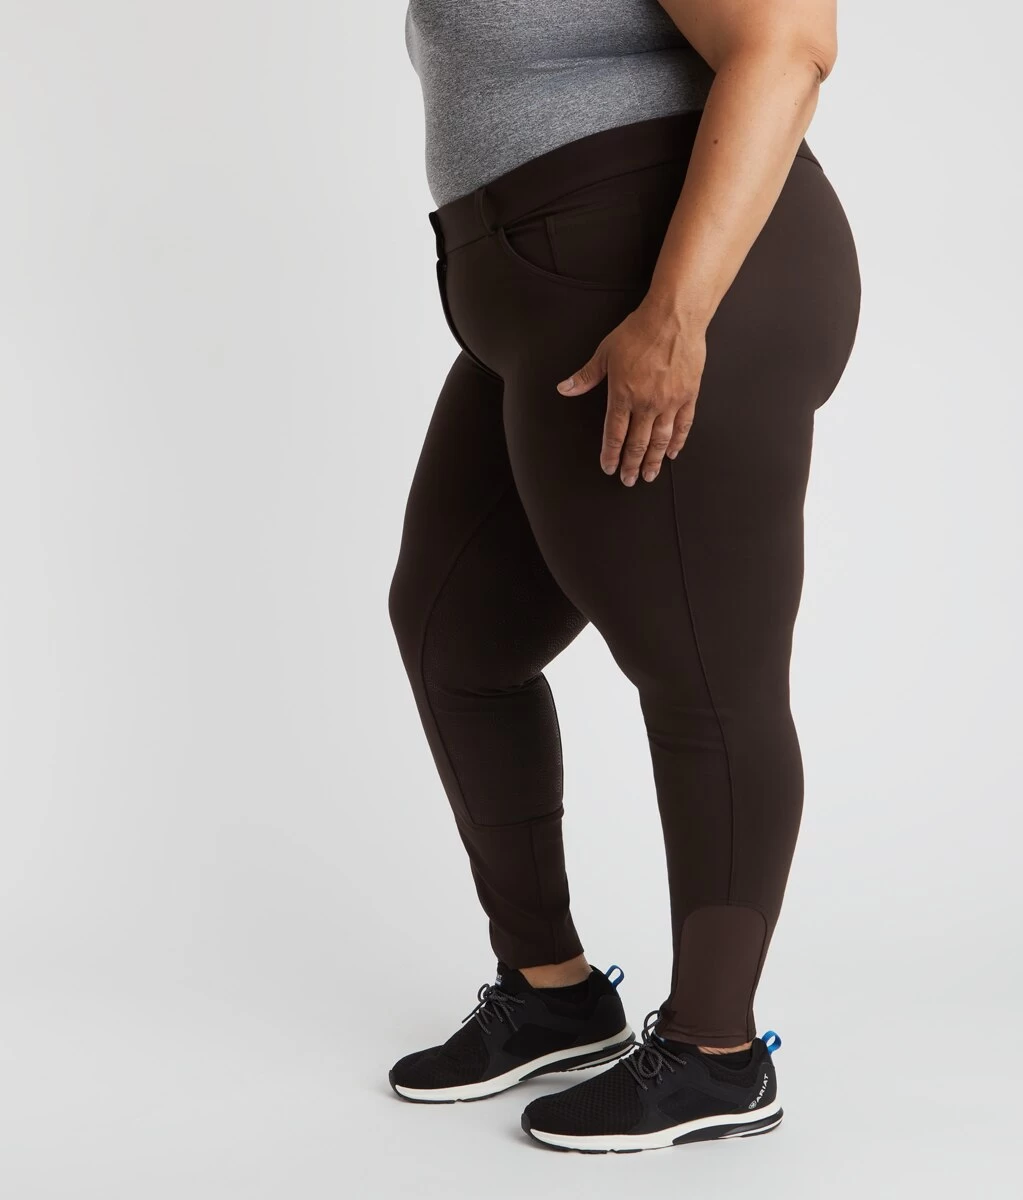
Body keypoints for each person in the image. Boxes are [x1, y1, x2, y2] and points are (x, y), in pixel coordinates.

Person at [387, 0, 860, 1153]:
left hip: (666, 277)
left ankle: (717, 1053)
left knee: (704, 676)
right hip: (537, 290)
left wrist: (677, 312)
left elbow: (789, 44)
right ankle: (552, 992)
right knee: (456, 636)